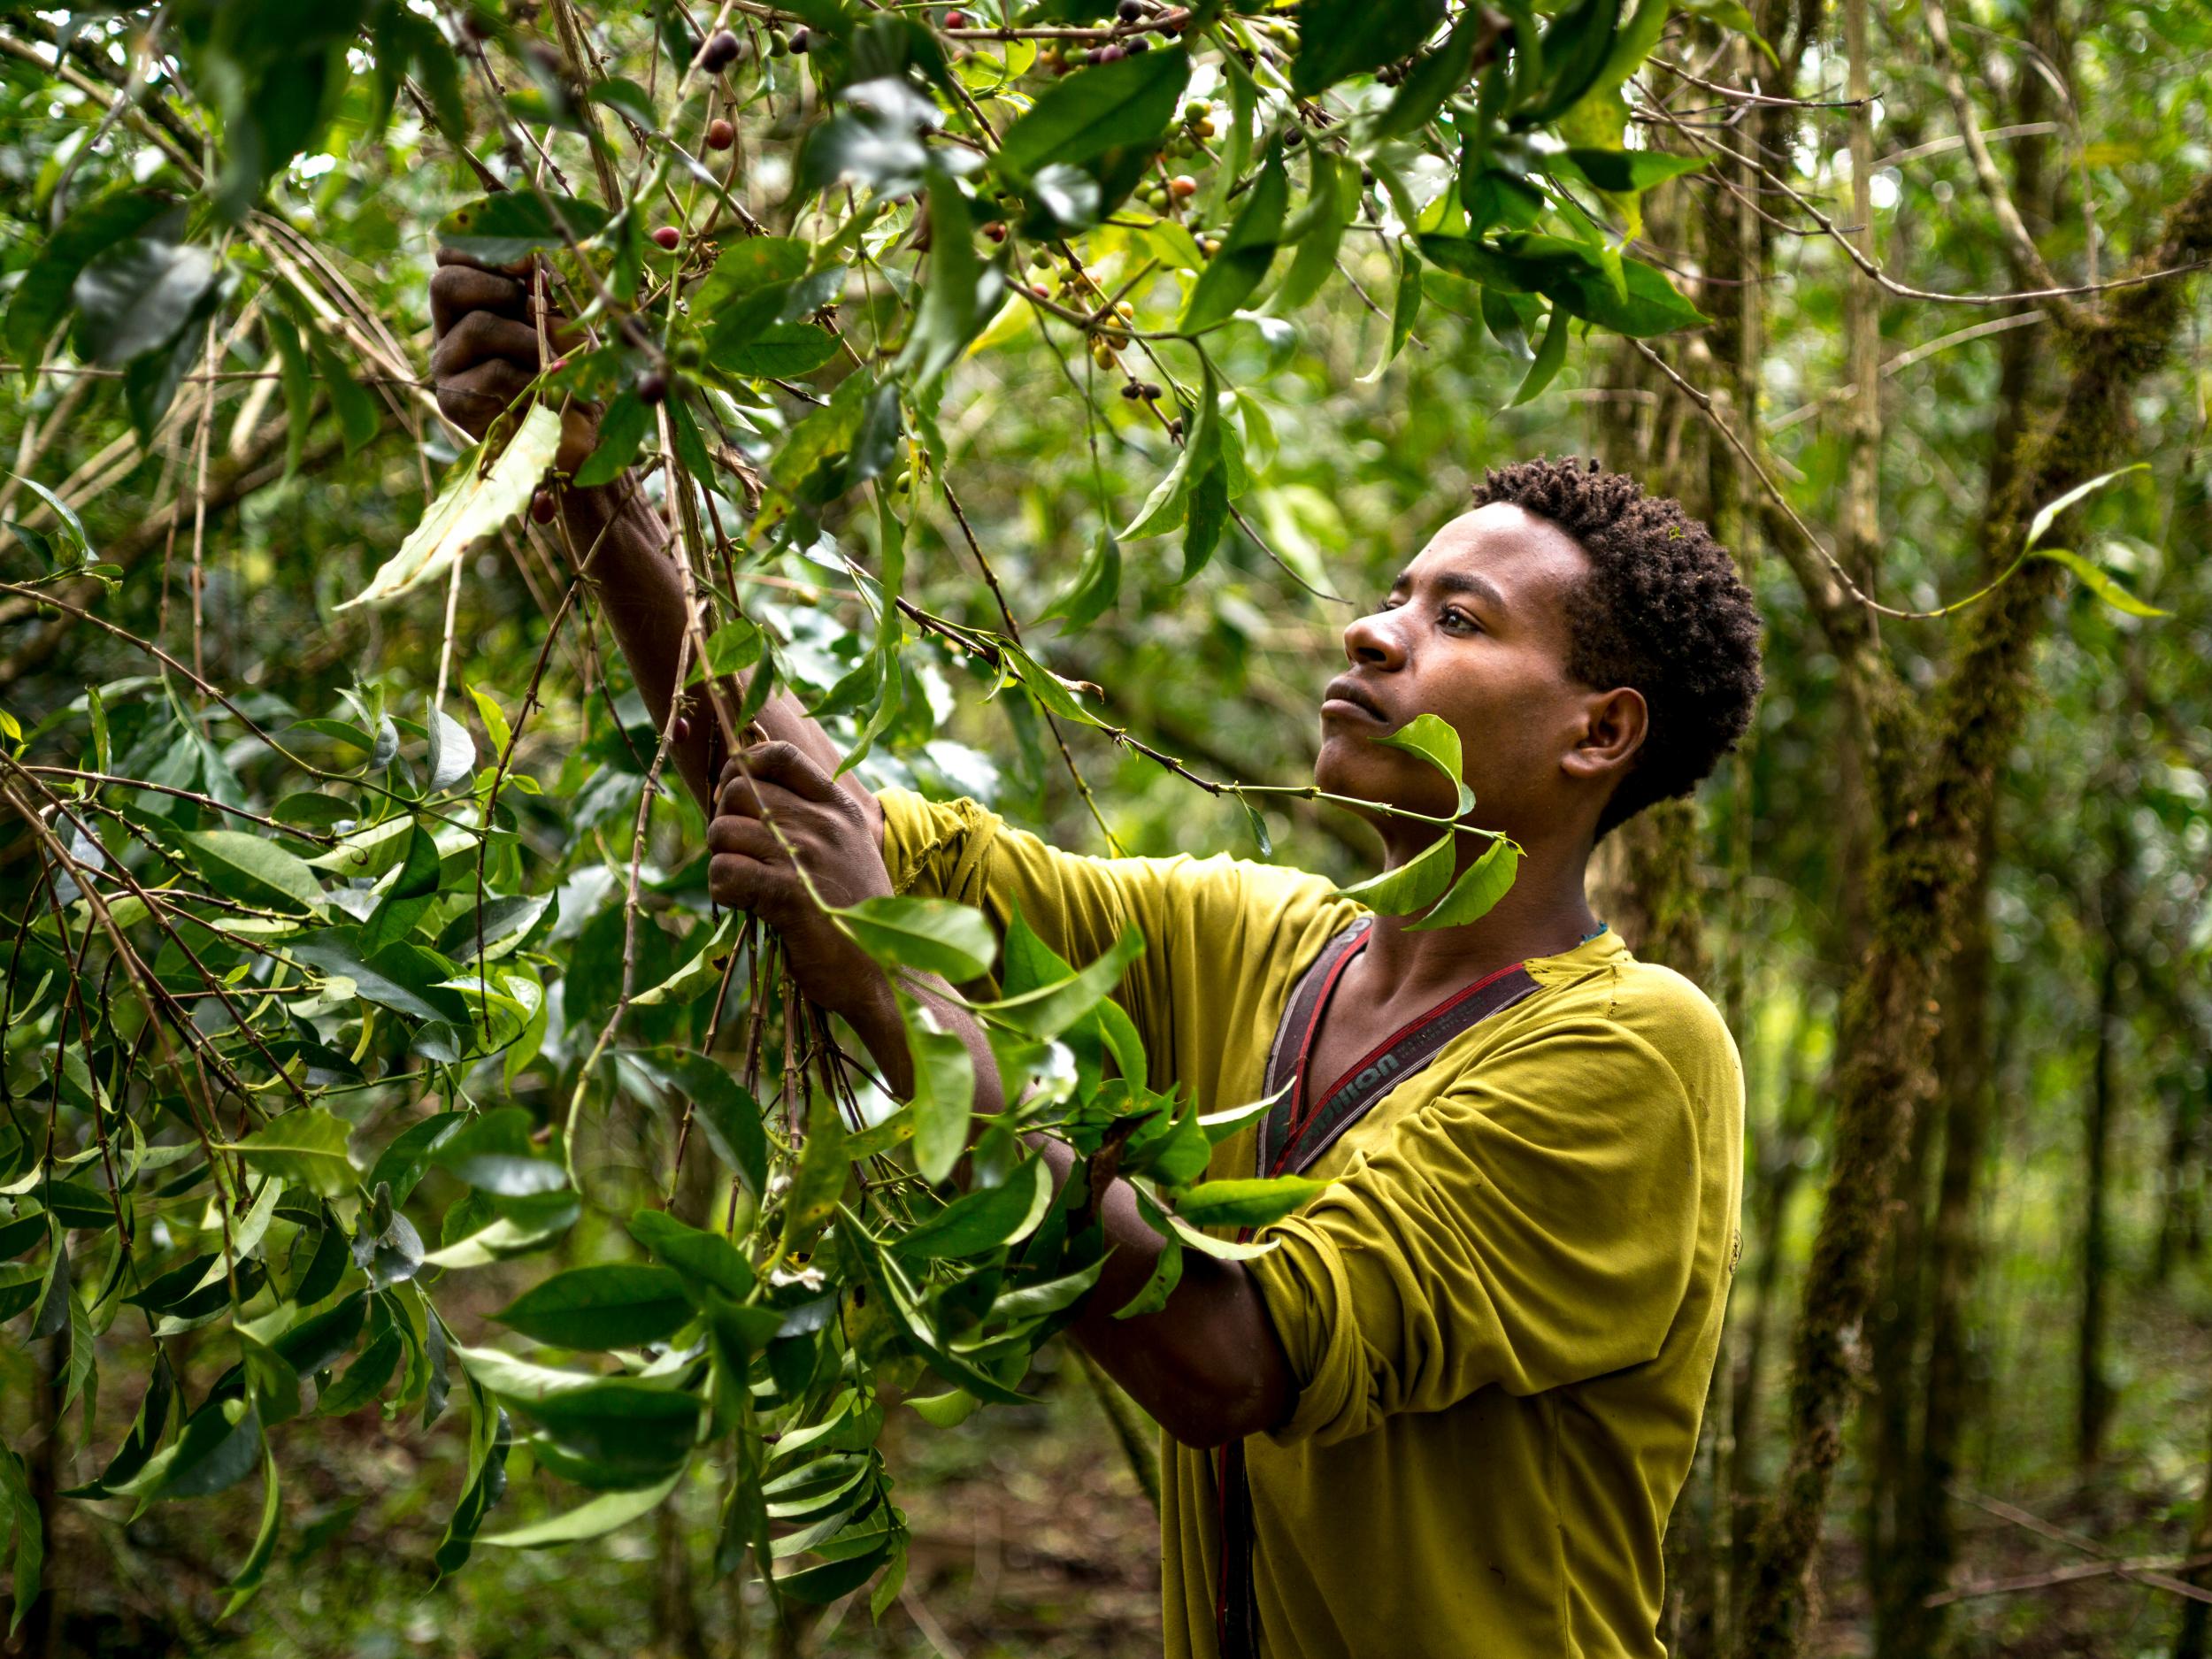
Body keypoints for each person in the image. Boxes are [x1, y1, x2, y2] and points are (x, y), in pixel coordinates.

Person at [429, 250, 1764, 1659]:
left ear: (1597, 734)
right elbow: (826, 828)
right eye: (1397, 590)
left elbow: (1230, 1355)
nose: (1373, 631)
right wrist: (596, 482)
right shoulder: (1248, 942)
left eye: (1457, 620)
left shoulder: (1636, 1055)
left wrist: (889, 985)